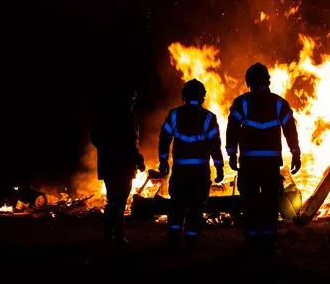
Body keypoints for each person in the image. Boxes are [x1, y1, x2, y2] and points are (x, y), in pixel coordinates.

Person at [226, 62, 301, 255]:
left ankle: (251, 241)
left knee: (249, 204)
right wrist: (295, 153)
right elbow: (290, 130)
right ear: (267, 80)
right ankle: (268, 243)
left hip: (249, 164)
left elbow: (232, 129)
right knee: (269, 204)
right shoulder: (278, 103)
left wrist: (232, 153)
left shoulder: (242, 102)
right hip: (270, 165)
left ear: (248, 82)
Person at [158, 79, 224, 249]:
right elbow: (214, 145)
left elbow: (164, 139)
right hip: (200, 173)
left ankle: (173, 240)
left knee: (177, 205)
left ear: (184, 96)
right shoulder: (208, 117)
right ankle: (191, 241)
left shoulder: (174, 115)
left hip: (180, 171)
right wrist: (219, 167)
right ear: (203, 97)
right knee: (196, 207)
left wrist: (163, 160)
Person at [90, 87, 145, 246]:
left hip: (109, 165)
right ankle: (118, 236)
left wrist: (107, 150)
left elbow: (95, 137)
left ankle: (109, 235)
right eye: (132, 100)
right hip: (123, 166)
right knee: (119, 202)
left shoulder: (104, 116)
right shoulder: (127, 117)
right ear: (128, 100)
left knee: (113, 201)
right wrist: (138, 161)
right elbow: (130, 143)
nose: (133, 103)